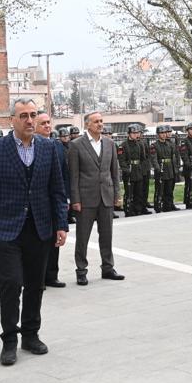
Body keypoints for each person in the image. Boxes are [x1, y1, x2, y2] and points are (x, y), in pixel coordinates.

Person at [0, 99, 68, 366]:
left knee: (35, 284)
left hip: (40, 228)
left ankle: (31, 334)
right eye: (24, 116)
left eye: (33, 115)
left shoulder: (48, 147)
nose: (30, 121)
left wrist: (61, 224)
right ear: (12, 120)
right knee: (11, 284)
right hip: (7, 229)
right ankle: (9, 340)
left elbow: (57, 190)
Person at [68, 111, 124, 286]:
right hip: (85, 199)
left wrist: (117, 194)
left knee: (107, 235)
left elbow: (115, 172)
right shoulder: (76, 145)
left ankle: (108, 268)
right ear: (87, 125)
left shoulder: (109, 144)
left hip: (106, 197)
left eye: (101, 121)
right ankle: (81, 270)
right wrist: (75, 199)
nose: (100, 124)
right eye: (96, 121)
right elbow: (74, 176)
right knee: (83, 237)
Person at [34, 112, 66, 288]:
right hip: (38, 201)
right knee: (39, 242)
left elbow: (63, 173)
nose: (48, 126)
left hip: (54, 199)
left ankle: (52, 275)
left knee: (55, 238)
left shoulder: (57, 146)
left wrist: (65, 197)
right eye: (43, 123)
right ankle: (38, 277)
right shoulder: (31, 146)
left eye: (49, 122)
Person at [119, 124, 148, 216]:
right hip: (129, 171)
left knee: (138, 192)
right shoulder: (123, 145)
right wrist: (126, 170)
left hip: (138, 170)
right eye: (134, 133)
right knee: (129, 192)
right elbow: (121, 160)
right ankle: (129, 209)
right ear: (129, 134)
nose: (136, 135)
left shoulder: (140, 144)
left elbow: (143, 158)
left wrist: (142, 170)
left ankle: (138, 209)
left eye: (137, 133)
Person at [152, 125, 178, 212]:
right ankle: (158, 206)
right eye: (161, 133)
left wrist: (174, 169)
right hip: (161, 169)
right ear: (158, 134)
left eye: (164, 133)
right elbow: (154, 159)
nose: (163, 135)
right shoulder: (154, 145)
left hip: (169, 169)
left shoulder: (169, 144)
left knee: (169, 190)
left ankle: (168, 206)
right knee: (159, 190)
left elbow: (172, 157)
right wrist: (158, 169)